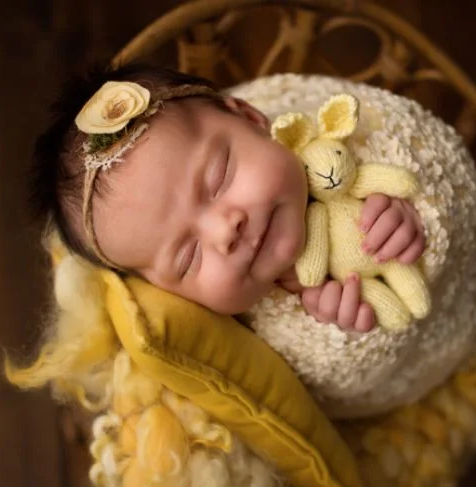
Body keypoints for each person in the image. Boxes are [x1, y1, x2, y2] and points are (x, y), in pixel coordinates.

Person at [34, 63, 426, 333]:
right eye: (188, 257)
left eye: (218, 179)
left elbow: (424, 172)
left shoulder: (346, 153)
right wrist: (336, 329)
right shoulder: (241, 331)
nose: (226, 232)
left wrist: (405, 218)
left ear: (252, 118)